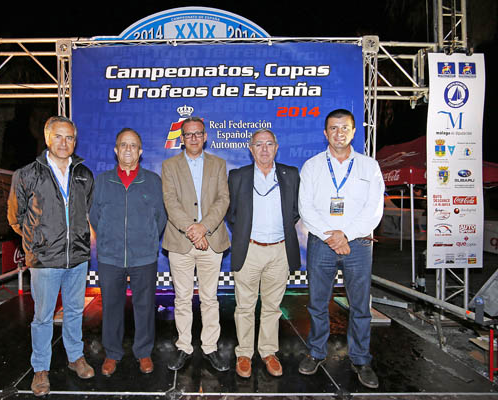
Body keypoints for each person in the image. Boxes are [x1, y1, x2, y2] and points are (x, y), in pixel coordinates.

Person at [8, 116, 95, 397]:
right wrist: (37, 243)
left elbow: (86, 212)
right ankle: (41, 369)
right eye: (58, 136)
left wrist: (80, 239)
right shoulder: (27, 174)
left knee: (73, 312)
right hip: (45, 260)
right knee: (43, 317)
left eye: (69, 137)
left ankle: (75, 358)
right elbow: (15, 217)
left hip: (77, 258)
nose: (64, 142)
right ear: (47, 138)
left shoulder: (84, 174)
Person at [297, 109, 384, 389]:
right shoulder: (312, 166)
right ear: (325, 133)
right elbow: (305, 208)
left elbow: (374, 209)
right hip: (322, 244)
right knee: (317, 303)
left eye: (344, 128)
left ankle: (361, 359)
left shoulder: (369, 166)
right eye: (333, 128)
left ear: (354, 131)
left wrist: (345, 234)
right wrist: (331, 236)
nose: (339, 133)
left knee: (360, 306)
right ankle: (316, 352)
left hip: (357, 244)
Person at [89, 128, 167, 377]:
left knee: (145, 306)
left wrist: (147, 239)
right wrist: (109, 239)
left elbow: (160, 217)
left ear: (140, 151)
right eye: (124, 145)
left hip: (143, 256)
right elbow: (94, 216)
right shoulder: (102, 181)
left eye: (133, 145)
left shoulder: (153, 181)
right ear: (116, 150)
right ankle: (112, 354)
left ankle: (143, 352)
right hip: (110, 257)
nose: (128, 149)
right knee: (111, 306)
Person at [226, 128, 301, 378]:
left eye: (269, 144)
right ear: (251, 148)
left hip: (279, 250)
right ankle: (244, 353)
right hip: (249, 249)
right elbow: (232, 214)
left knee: (272, 306)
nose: (265, 149)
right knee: (244, 306)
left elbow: (295, 211)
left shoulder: (290, 174)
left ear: (276, 147)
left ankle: (268, 351)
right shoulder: (238, 176)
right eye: (259, 144)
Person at [162, 116, 231, 372]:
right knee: (181, 298)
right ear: (182, 139)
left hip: (211, 241)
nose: (193, 138)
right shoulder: (169, 166)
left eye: (197, 133)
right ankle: (184, 346)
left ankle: (210, 347)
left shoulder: (218, 164)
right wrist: (193, 231)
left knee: (210, 298)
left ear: (205, 136)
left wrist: (204, 228)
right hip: (180, 241)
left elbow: (223, 200)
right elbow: (171, 202)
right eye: (188, 134)